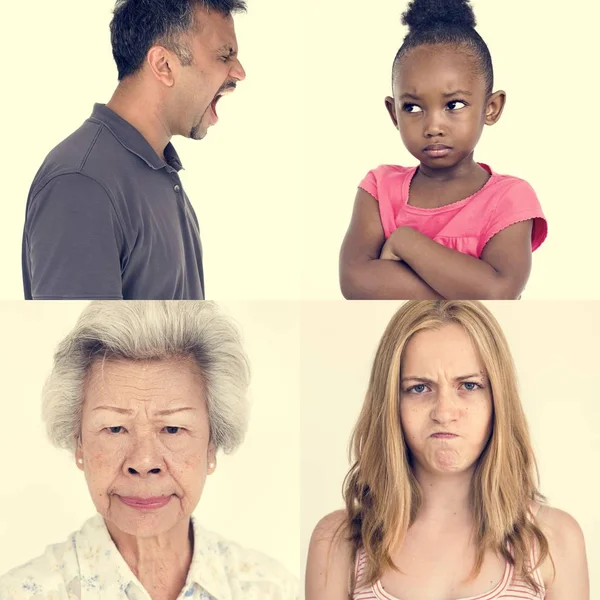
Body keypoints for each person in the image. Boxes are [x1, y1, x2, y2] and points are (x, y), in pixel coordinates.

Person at [0, 301, 298, 600]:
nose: (143, 462)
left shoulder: (272, 589)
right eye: (115, 428)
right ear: (79, 443)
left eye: (172, 428)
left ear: (211, 446)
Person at [306, 301, 589, 600]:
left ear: (498, 400)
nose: (444, 412)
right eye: (419, 388)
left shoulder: (554, 540)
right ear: (391, 403)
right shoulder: (338, 543)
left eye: (468, 386)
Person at [22, 0, 247, 300]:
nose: (239, 72)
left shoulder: (158, 171)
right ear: (163, 65)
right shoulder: (82, 182)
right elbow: (88, 343)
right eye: (224, 55)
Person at [339, 0, 548, 300]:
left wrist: (405, 241)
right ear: (393, 113)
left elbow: (498, 291)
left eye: (454, 105)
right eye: (412, 107)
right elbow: (355, 281)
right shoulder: (379, 189)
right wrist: (466, 285)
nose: (433, 126)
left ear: (491, 108)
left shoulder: (510, 198)